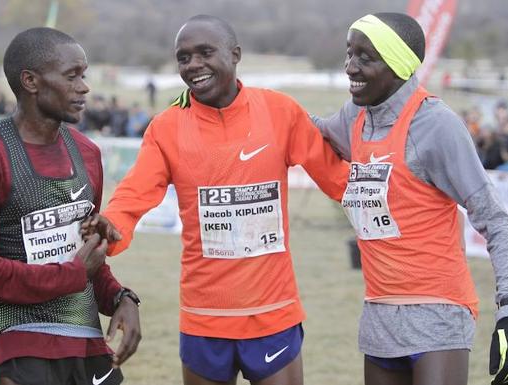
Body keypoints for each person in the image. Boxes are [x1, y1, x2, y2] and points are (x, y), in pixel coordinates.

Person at [82, 14, 347, 385]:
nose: (193, 65)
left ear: (235, 54)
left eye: (205, 52)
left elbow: (341, 181)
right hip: (203, 315)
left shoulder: (280, 111)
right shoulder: (168, 126)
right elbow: (135, 192)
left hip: (272, 313)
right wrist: (112, 225)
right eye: (184, 57)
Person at [310, 12, 508, 385]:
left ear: (397, 65)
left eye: (365, 57)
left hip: (438, 316)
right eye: (349, 53)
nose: (350, 67)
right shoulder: (354, 117)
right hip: (378, 316)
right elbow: (305, 130)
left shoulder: (436, 126)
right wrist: (231, 95)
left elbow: (495, 220)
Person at [0, 27, 141, 385]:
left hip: (86, 340)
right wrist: (71, 275)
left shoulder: (87, 152)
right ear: (31, 81)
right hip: (21, 339)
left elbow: (86, 258)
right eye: (72, 76)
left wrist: (120, 298)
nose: (84, 86)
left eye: (84, 75)